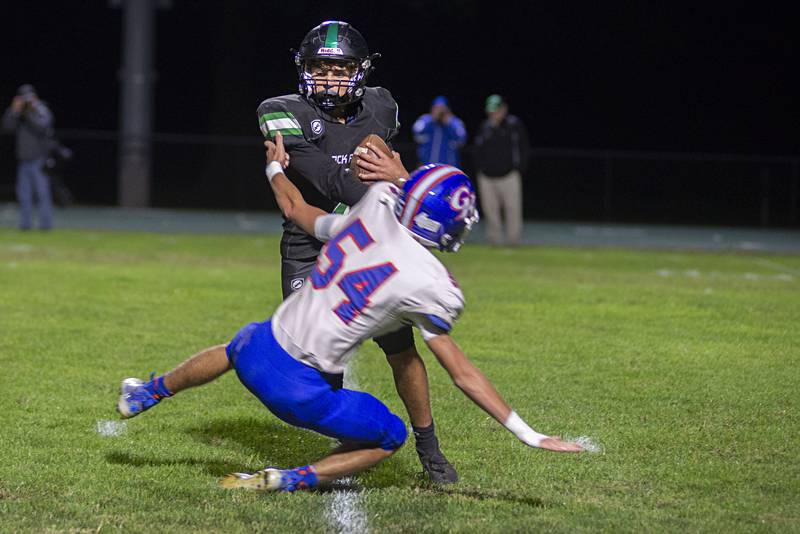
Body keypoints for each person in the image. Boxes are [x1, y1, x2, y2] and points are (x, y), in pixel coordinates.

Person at [116, 134, 584, 493]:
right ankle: (290, 479)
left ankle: (147, 393)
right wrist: (528, 433)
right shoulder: (431, 283)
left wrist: (276, 167)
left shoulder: (375, 206)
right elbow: (461, 373)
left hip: (258, 350)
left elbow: (296, 207)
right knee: (389, 435)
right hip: (301, 391)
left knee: (236, 342)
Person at [255, 20, 459, 483]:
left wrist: (394, 174)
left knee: (400, 349)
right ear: (303, 71)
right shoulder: (279, 111)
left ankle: (430, 449)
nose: (328, 79)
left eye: (339, 68)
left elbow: (373, 165)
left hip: (368, 246)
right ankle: (344, 441)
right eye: (318, 69)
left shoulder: (381, 105)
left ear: (360, 70)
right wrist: (395, 180)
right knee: (316, 360)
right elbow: (328, 178)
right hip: (312, 244)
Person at [474, 95, 531, 246]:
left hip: (509, 175)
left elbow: (523, 148)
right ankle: (495, 241)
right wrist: (480, 168)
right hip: (487, 176)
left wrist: (519, 168)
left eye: (496, 110)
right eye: (491, 111)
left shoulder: (513, 125)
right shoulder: (485, 127)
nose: (493, 114)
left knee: (513, 209)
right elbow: (478, 149)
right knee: (491, 211)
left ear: (503, 109)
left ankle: (514, 241)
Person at [1, 85, 55, 231]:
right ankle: (25, 225)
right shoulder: (17, 113)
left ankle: (46, 225)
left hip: (39, 160)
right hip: (23, 161)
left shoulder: (40, 110)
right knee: (24, 196)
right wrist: (14, 110)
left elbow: (43, 127)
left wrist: (29, 113)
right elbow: (7, 127)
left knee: (42, 194)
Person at [412, 96, 467, 167]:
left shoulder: (454, 122)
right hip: (427, 165)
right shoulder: (426, 120)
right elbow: (416, 131)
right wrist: (432, 120)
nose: (439, 111)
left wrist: (448, 123)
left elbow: (462, 138)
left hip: (448, 167)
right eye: (437, 108)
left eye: (442, 108)